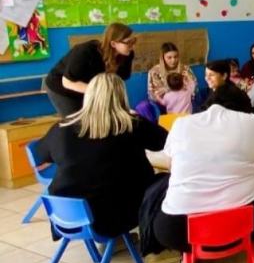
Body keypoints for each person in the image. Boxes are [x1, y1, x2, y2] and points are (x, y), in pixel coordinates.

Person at [151, 83, 254, 263]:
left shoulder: (182, 124)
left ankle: (189, 259)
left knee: (171, 185)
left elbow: (171, 165)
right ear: (243, 106)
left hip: (176, 230)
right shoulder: (249, 121)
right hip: (240, 226)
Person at [33, 73, 167, 238]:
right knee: (165, 180)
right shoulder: (132, 124)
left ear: (88, 95)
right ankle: (156, 241)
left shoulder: (63, 127)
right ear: (122, 96)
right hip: (116, 215)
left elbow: (40, 154)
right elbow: (163, 141)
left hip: (68, 217)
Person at [45, 23, 136, 116]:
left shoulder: (127, 55)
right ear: (113, 43)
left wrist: (123, 108)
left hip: (90, 88)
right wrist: (100, 92)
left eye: (134, 41)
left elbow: (116, 83)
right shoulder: (85, 52)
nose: (133, 46)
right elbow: (67, 82)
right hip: (62, 87)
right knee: (77, 123)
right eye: (128, 42)